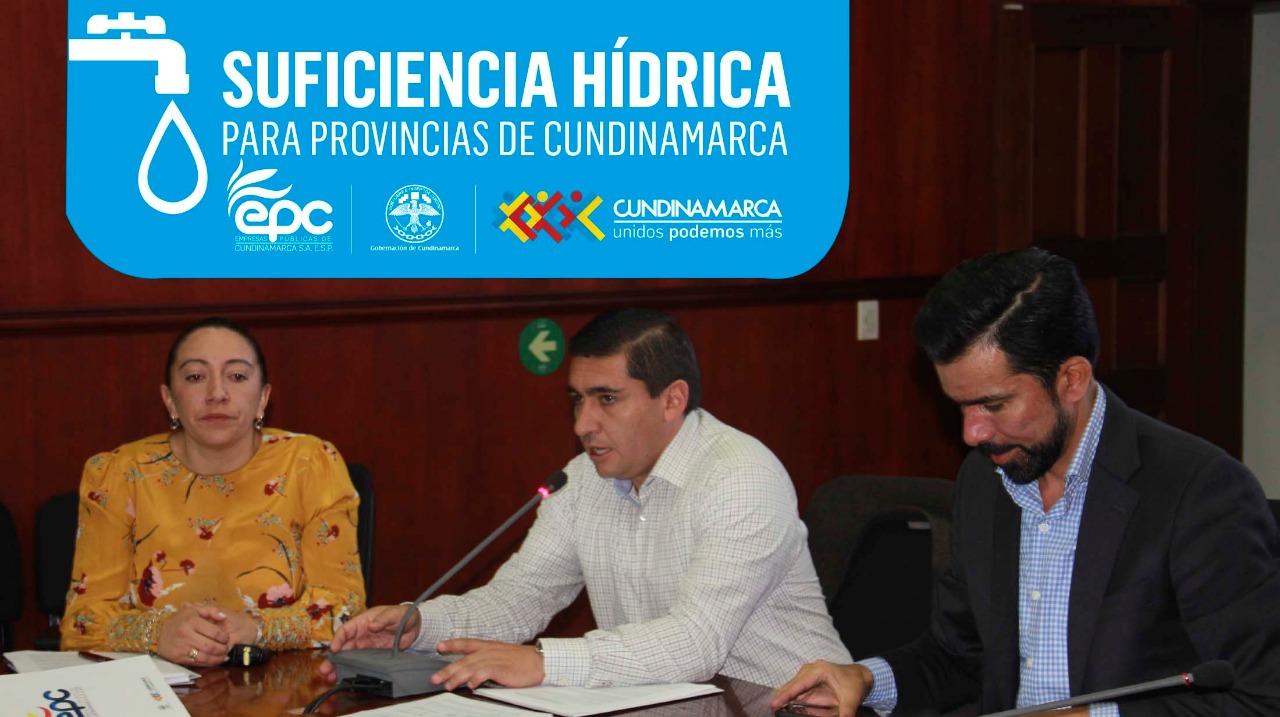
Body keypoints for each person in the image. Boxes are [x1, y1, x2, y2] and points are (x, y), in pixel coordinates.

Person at [773, 249, 1280, 716]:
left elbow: (1261, 697)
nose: (972, 434)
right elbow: (960, 657)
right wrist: (866, 678)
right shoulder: (987, 477)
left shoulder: (1199, 492)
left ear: (1072, 379)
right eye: (960, 406)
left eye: (993, 404)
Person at [323, 308, 850, 689]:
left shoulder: (741, 476)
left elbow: (696, 643)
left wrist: (545, 662)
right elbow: (520, 598)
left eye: (607, 399)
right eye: (578, 399)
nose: (582, 424)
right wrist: (418, 626)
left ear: (672, 400)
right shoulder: (583, 481)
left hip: (788, 705)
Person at [61, 318, 367, 666]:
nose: (217, 393)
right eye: (195, 377)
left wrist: (257, 628)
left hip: (286, 683)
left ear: (263, 398)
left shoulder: (310, 464)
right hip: (156, 686)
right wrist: (157, 633)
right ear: (169, 400)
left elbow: (345, 608)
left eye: (237, 376)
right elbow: (81, 623)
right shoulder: (118, 473)